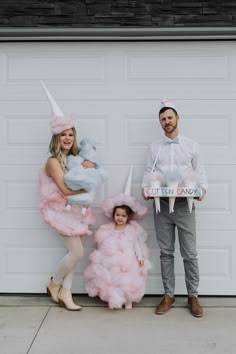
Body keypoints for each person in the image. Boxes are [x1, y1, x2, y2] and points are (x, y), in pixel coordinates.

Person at [142, 98, 208, 317]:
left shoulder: (192, 145)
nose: (167, 121)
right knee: (166, 252)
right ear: (160, 123)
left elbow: (201, 172)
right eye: (163, 119)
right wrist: (145, 188)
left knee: (190, 253)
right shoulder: (154, 147)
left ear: (177, 118)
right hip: (160, 205)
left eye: (170, 117)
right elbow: (147, 172)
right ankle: (168, 294)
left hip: (185, 205)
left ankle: (193, 296)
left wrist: (203, 189)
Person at [38, 81, 96, 311]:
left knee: (75, 253)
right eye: (63, 134)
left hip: (77, 210)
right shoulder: (53, 161)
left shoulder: (74, 160)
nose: (67, 138)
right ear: (56, 137)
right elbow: (64, 190)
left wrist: (89, 169)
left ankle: (66, 294)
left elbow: (86, 174)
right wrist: (86, 189)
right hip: (61, 212)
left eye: (70, 134)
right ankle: (55, 283)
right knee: (77, 252)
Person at [84, 167, 151, 310]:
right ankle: (115, 297)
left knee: (129, 280)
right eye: (118, 215)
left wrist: (140, 258)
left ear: (128, 217)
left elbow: (137, 245)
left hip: (128, 259)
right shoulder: (108, 229)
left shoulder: (132, 230)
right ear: (113, 215)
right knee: (114, 279)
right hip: (112, 259)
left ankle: (128, 299)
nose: (120, 218)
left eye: (123, 216)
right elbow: (103, 244)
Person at [64, 137, 106, 215]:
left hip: (89, 175)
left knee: (89, 192)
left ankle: (84, 207)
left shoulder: (95, 159)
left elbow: (99, 169)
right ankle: (69, 204)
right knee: (73, 189)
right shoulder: (82, 157)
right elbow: (74, 161)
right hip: (81, 172)